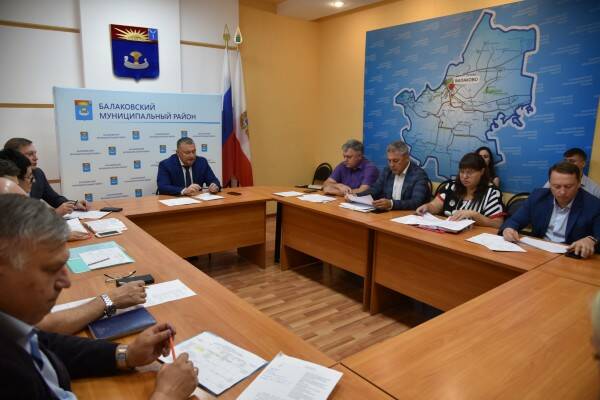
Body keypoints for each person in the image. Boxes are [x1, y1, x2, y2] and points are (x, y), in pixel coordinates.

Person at [0, 194, 198, 399]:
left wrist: (127, 354)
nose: (66, 282)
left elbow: (49, 344)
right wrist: (166, 395)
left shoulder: (14, 328)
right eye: (51, 269)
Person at [501, 161, 600, 258]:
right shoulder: (538, 197)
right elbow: (515, 221)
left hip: (571, 256)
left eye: (568, 186)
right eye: (557, 186)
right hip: (538, 253)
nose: (562, 192)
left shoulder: (593, 204)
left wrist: (591, 240)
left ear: (579, 184)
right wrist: (508, 229)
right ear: (550, 184)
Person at [4, 137, 89, 215]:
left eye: (35, 153)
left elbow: (54, 198)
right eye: (30, 154)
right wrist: (55, 213)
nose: (36, 158)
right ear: (15, 158)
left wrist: (74, 204)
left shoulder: (38, 173)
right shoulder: (5, 184)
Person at [416, 153, 505, 228]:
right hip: (447, 234)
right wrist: (427, 207)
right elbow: (435, 205)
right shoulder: (451, 187)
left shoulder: (492, 193)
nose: (465, 176)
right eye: (462, 172)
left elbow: (497, 223)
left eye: (470, 172)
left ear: (482, 171)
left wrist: (475, 215)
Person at [355, 140, 430, 210]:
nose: (391, 165)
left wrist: (392, 204)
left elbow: (416, 202)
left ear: (407, 158)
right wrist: (356, 196)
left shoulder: (419, 175)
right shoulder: (387, 171)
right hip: (388, 214)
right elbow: (375, 190)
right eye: (389, 161)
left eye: (395, 161)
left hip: (409, 215)